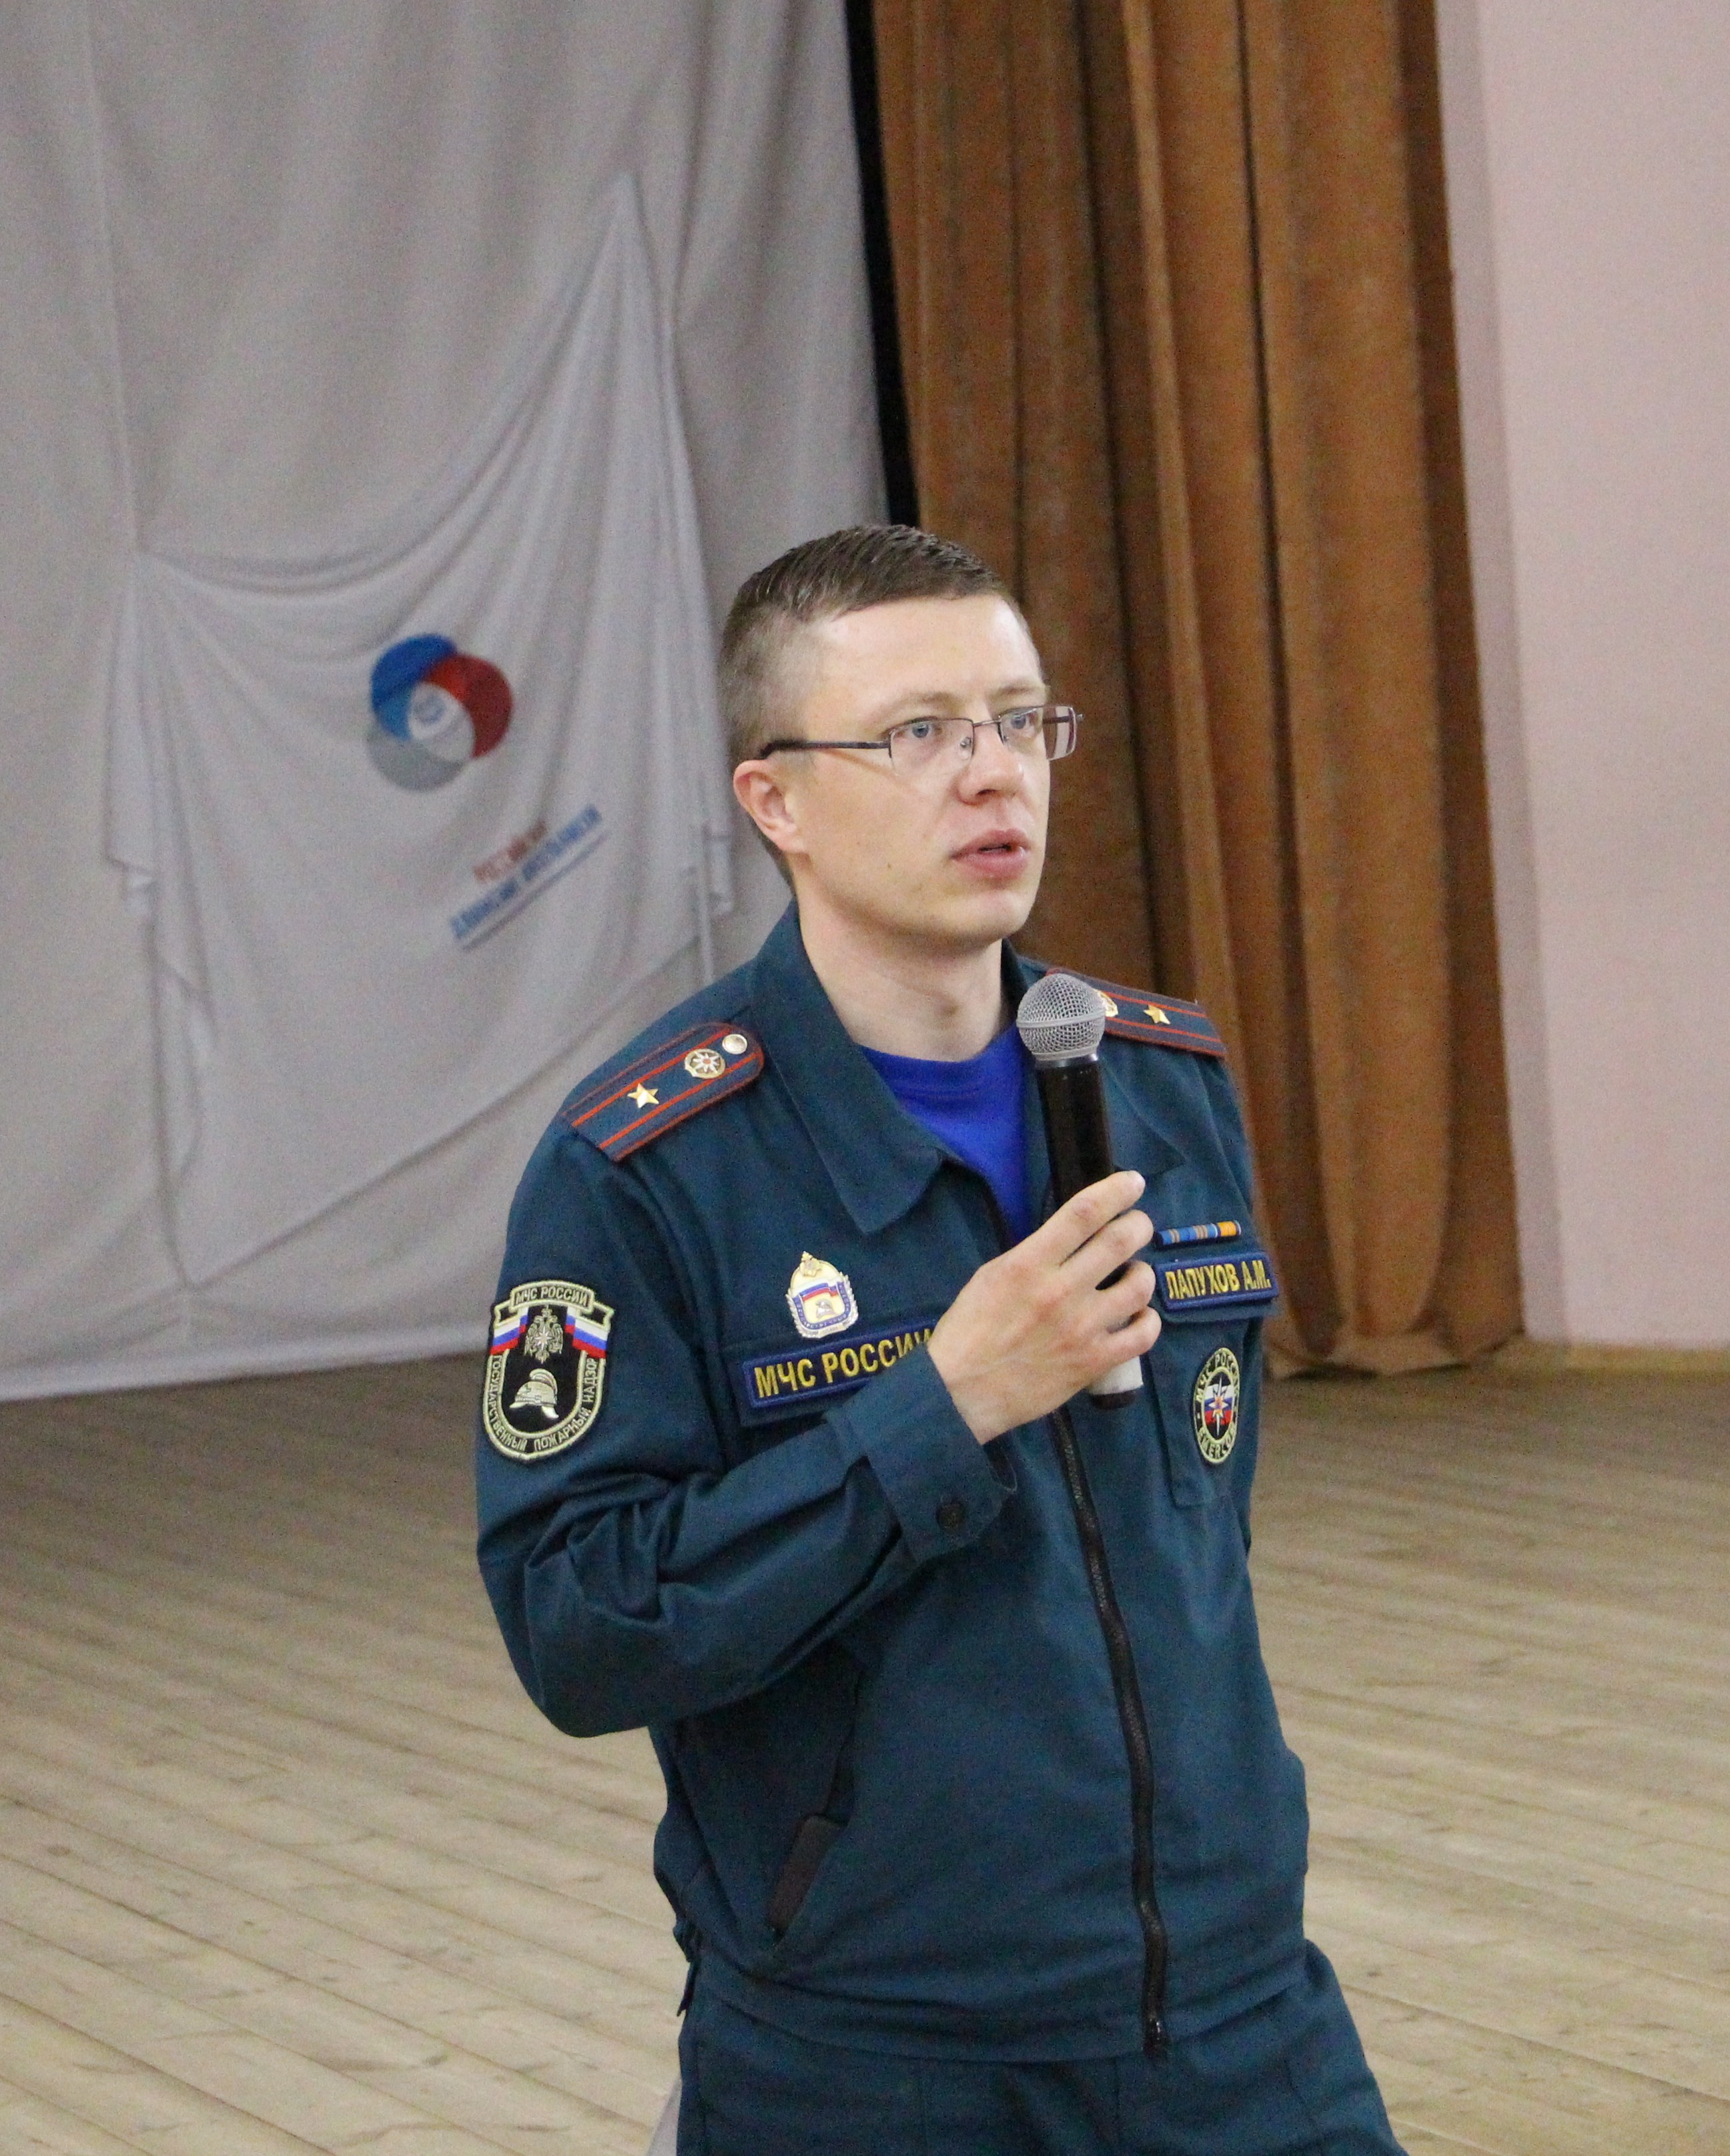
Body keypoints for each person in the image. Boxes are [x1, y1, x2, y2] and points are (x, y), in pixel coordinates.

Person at [475, 526, 1405, 2154]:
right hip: (879, 2055)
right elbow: (581, 1625)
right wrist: (944, 1403)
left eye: (1018, 719)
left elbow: (1194, 1535)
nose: (992, 773)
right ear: (776, 800)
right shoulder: (647, 1165)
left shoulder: (1162, 1082)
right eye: (917, 732)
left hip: (1237, 2012)